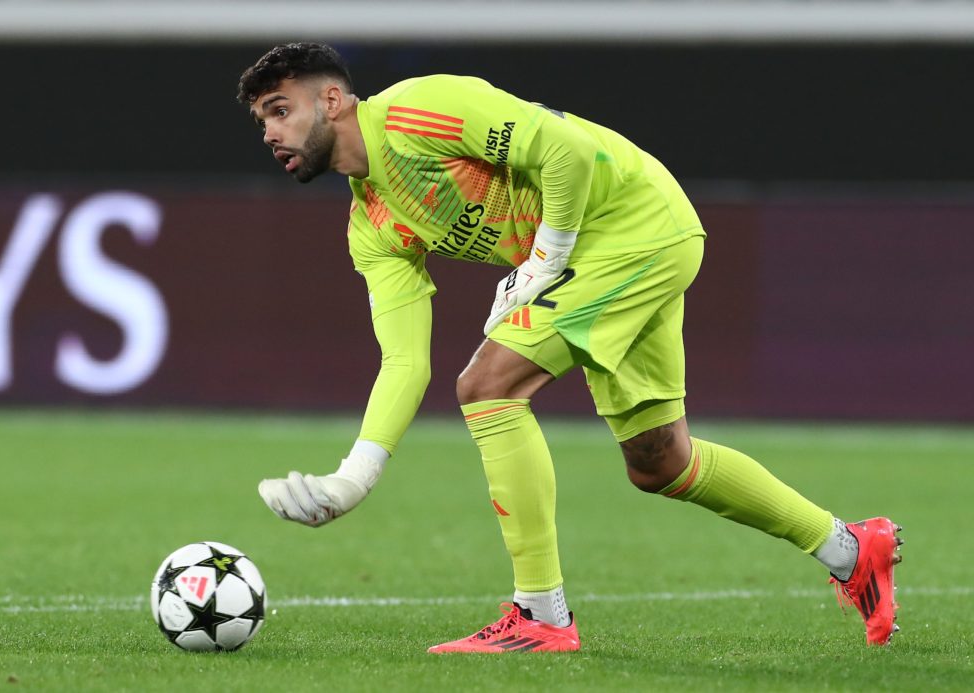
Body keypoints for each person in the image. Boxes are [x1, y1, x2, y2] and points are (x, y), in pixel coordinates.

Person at [240, 42, 902, 652]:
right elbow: (405, 361)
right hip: (615, 250)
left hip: (629, 223)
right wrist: (353, 479)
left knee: (488, 386)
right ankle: (849, 549)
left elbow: (566, 152)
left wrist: (543, 261)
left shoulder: (419, 111)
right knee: (660, 462)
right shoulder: (372, 226)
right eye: (262, 120)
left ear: (332, 100)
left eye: (280, 110)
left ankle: (542, 616)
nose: (270, 133)